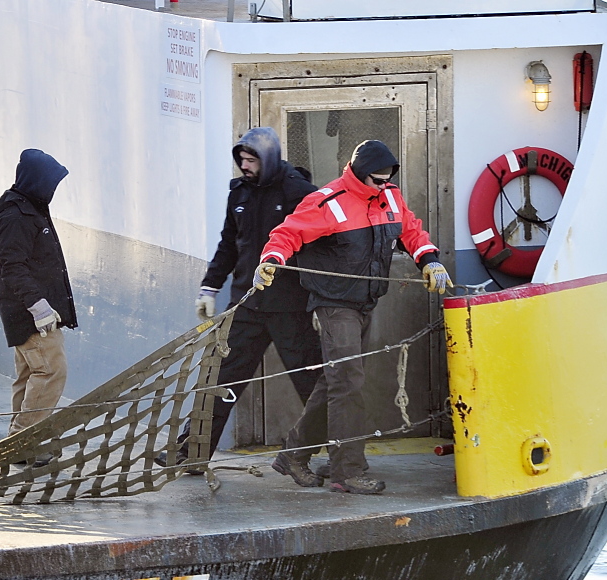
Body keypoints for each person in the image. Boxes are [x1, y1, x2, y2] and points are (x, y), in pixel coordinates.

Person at [254, 139, 451, 494]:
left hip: (364, 303)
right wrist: (271, 260)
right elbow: (288, 233)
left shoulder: (390, 196)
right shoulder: (326, 201)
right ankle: (348, 470)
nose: (383, 185)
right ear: (360, 175)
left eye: (387, 179)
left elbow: (410, 229)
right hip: (334, 305)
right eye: (377, 180)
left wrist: (429, 259)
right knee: (348, 382)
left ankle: (294, 455)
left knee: (337, 381)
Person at [157, 126, 320, 469]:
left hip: (290, 308)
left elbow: (321, 248)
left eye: (252, 160)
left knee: (314, 382)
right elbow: (229, 244)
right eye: (242, 160)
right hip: (247, 304)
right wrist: (209, 287)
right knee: (219, 379)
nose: (245, 167)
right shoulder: (240, 194)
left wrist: (320, 299)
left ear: (270, 158)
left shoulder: (299, 192)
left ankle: (341, 454)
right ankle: (191, 454)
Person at [0, 149, 78, 457]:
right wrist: (38, 306)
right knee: (51, 371)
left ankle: (26, 444)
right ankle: (22, 442)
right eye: (50, 183)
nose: (52, 190)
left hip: (33, 311)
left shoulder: (29, 208)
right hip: (31, 314)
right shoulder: (15, 216)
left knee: (30, 375)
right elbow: (12, 267)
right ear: (35, 181)